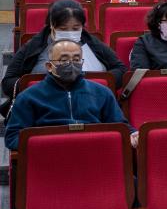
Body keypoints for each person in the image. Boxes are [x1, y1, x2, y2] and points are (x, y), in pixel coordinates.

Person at [5, 38, 137, 151]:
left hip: (94, 153)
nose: (71, 64)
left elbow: (120, 126)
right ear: (49, 66)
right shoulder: (29, 97)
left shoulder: (102, 92)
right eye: (64, 60)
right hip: (50, 157)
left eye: (76, 59)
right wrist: (49, 143)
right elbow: (13, 137)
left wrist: (132, 134)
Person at [2, 0, 126, 101]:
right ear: (51, 25)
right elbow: (8, 81)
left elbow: (120, 69)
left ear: (82, 26)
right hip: (44, 103)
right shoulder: (34, 45)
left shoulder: (93, 43)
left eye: (75, 28)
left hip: (92, 101)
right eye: (63, 28)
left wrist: (99, 83)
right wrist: (37, 87)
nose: (69, 33)